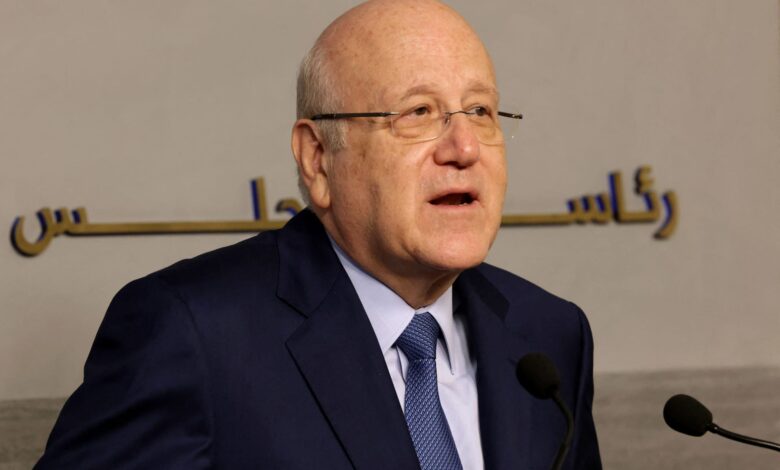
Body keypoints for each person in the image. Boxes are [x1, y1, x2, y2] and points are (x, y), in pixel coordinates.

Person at [36, 1, 601, 468]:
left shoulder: (551, 334)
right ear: (318, 158)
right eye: (418, 113)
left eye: (480, 111)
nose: (465, 148)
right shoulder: (191, 334)